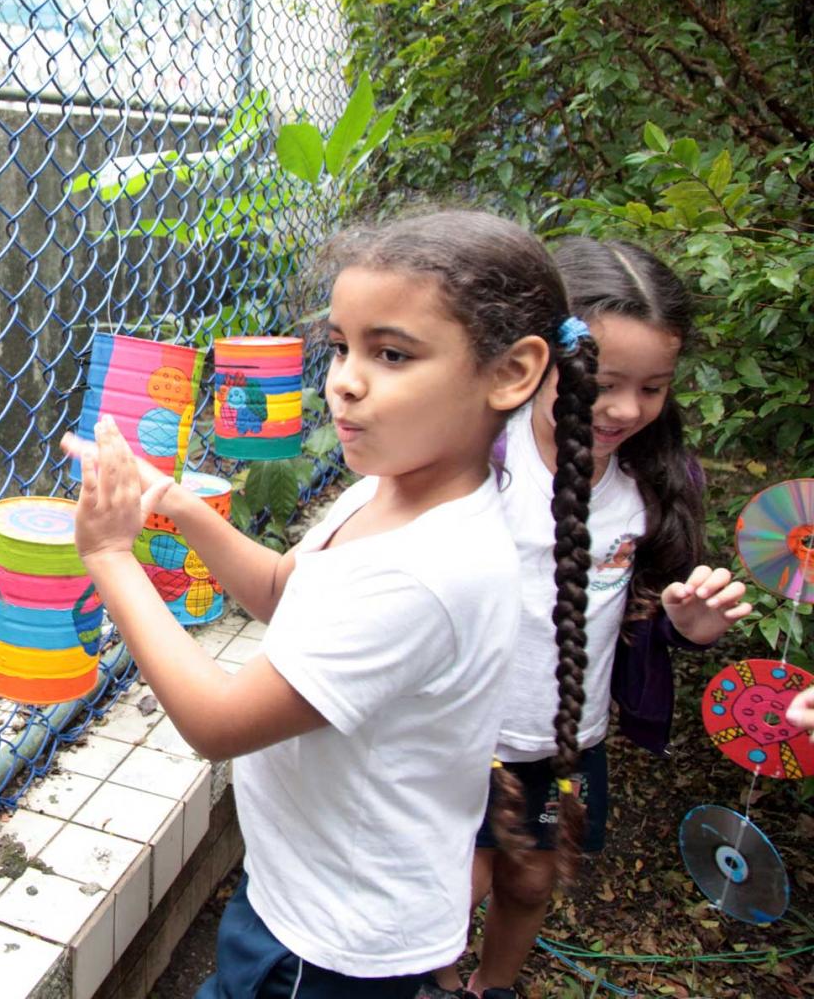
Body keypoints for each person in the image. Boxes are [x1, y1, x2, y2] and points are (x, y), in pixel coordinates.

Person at [66, 210, 593, 997]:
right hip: (326, 896)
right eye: (341, 346)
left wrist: (110, 556)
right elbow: (289, 591)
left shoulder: (423, 572)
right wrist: (176, 502)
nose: (342, 378)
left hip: (330, 943)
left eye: (390, 353)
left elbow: (216, 722)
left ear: (511, 373)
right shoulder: (396, 490)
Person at [432, 238, 750, 999]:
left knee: (531, 880)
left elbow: (639, 612)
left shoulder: (648, 482)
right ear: (535, 359)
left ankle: (493, 986)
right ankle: (433, 983)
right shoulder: (478, 459)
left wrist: (683, 628)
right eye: (604, 383)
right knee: (452, 890)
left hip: (563, 743)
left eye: (653, 388)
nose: (626, 409)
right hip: (457, 738)